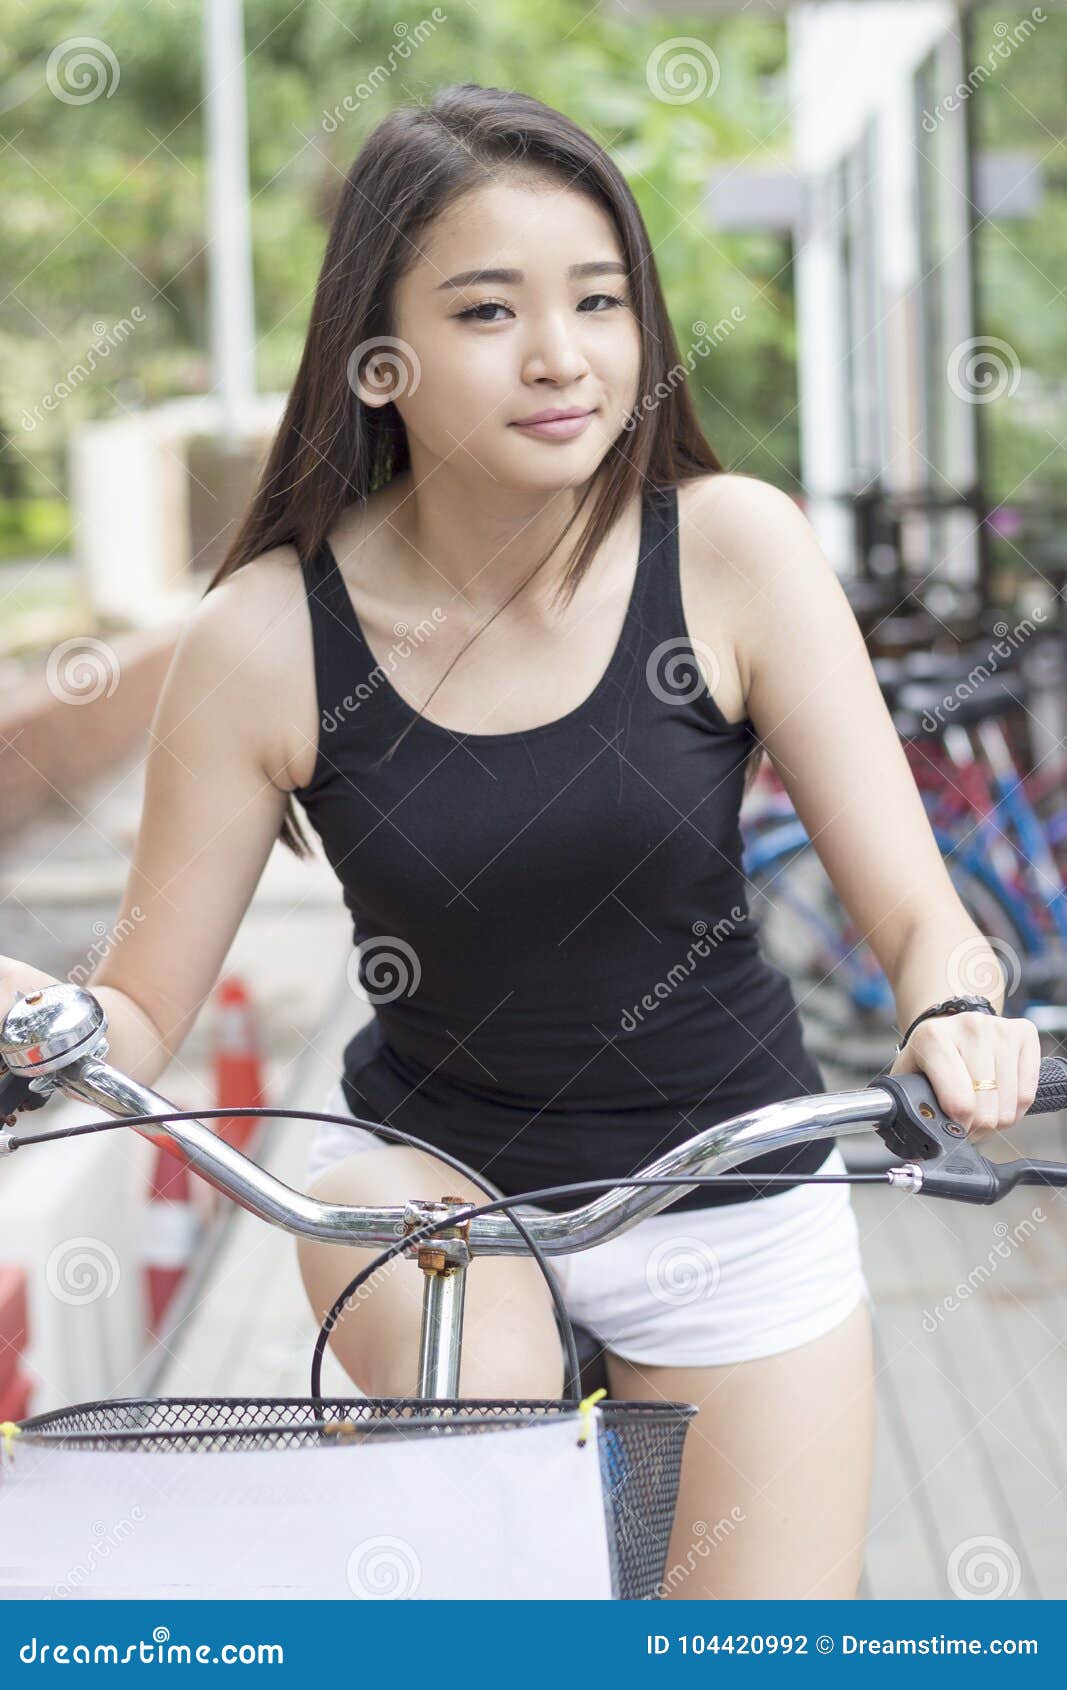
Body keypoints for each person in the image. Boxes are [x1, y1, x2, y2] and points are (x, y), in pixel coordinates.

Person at [0, 84, 1041, 1601]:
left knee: (751, 1644)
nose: (563, 355)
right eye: (489, 310)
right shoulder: (268, 635)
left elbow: (926, 924)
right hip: (435, 1195)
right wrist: (52, 1026)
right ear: (378, 360)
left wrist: (957, 1010)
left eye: (601, 301)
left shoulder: (737, 551)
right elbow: (141, 1009)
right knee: (516, 1600)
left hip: (734, 1182)